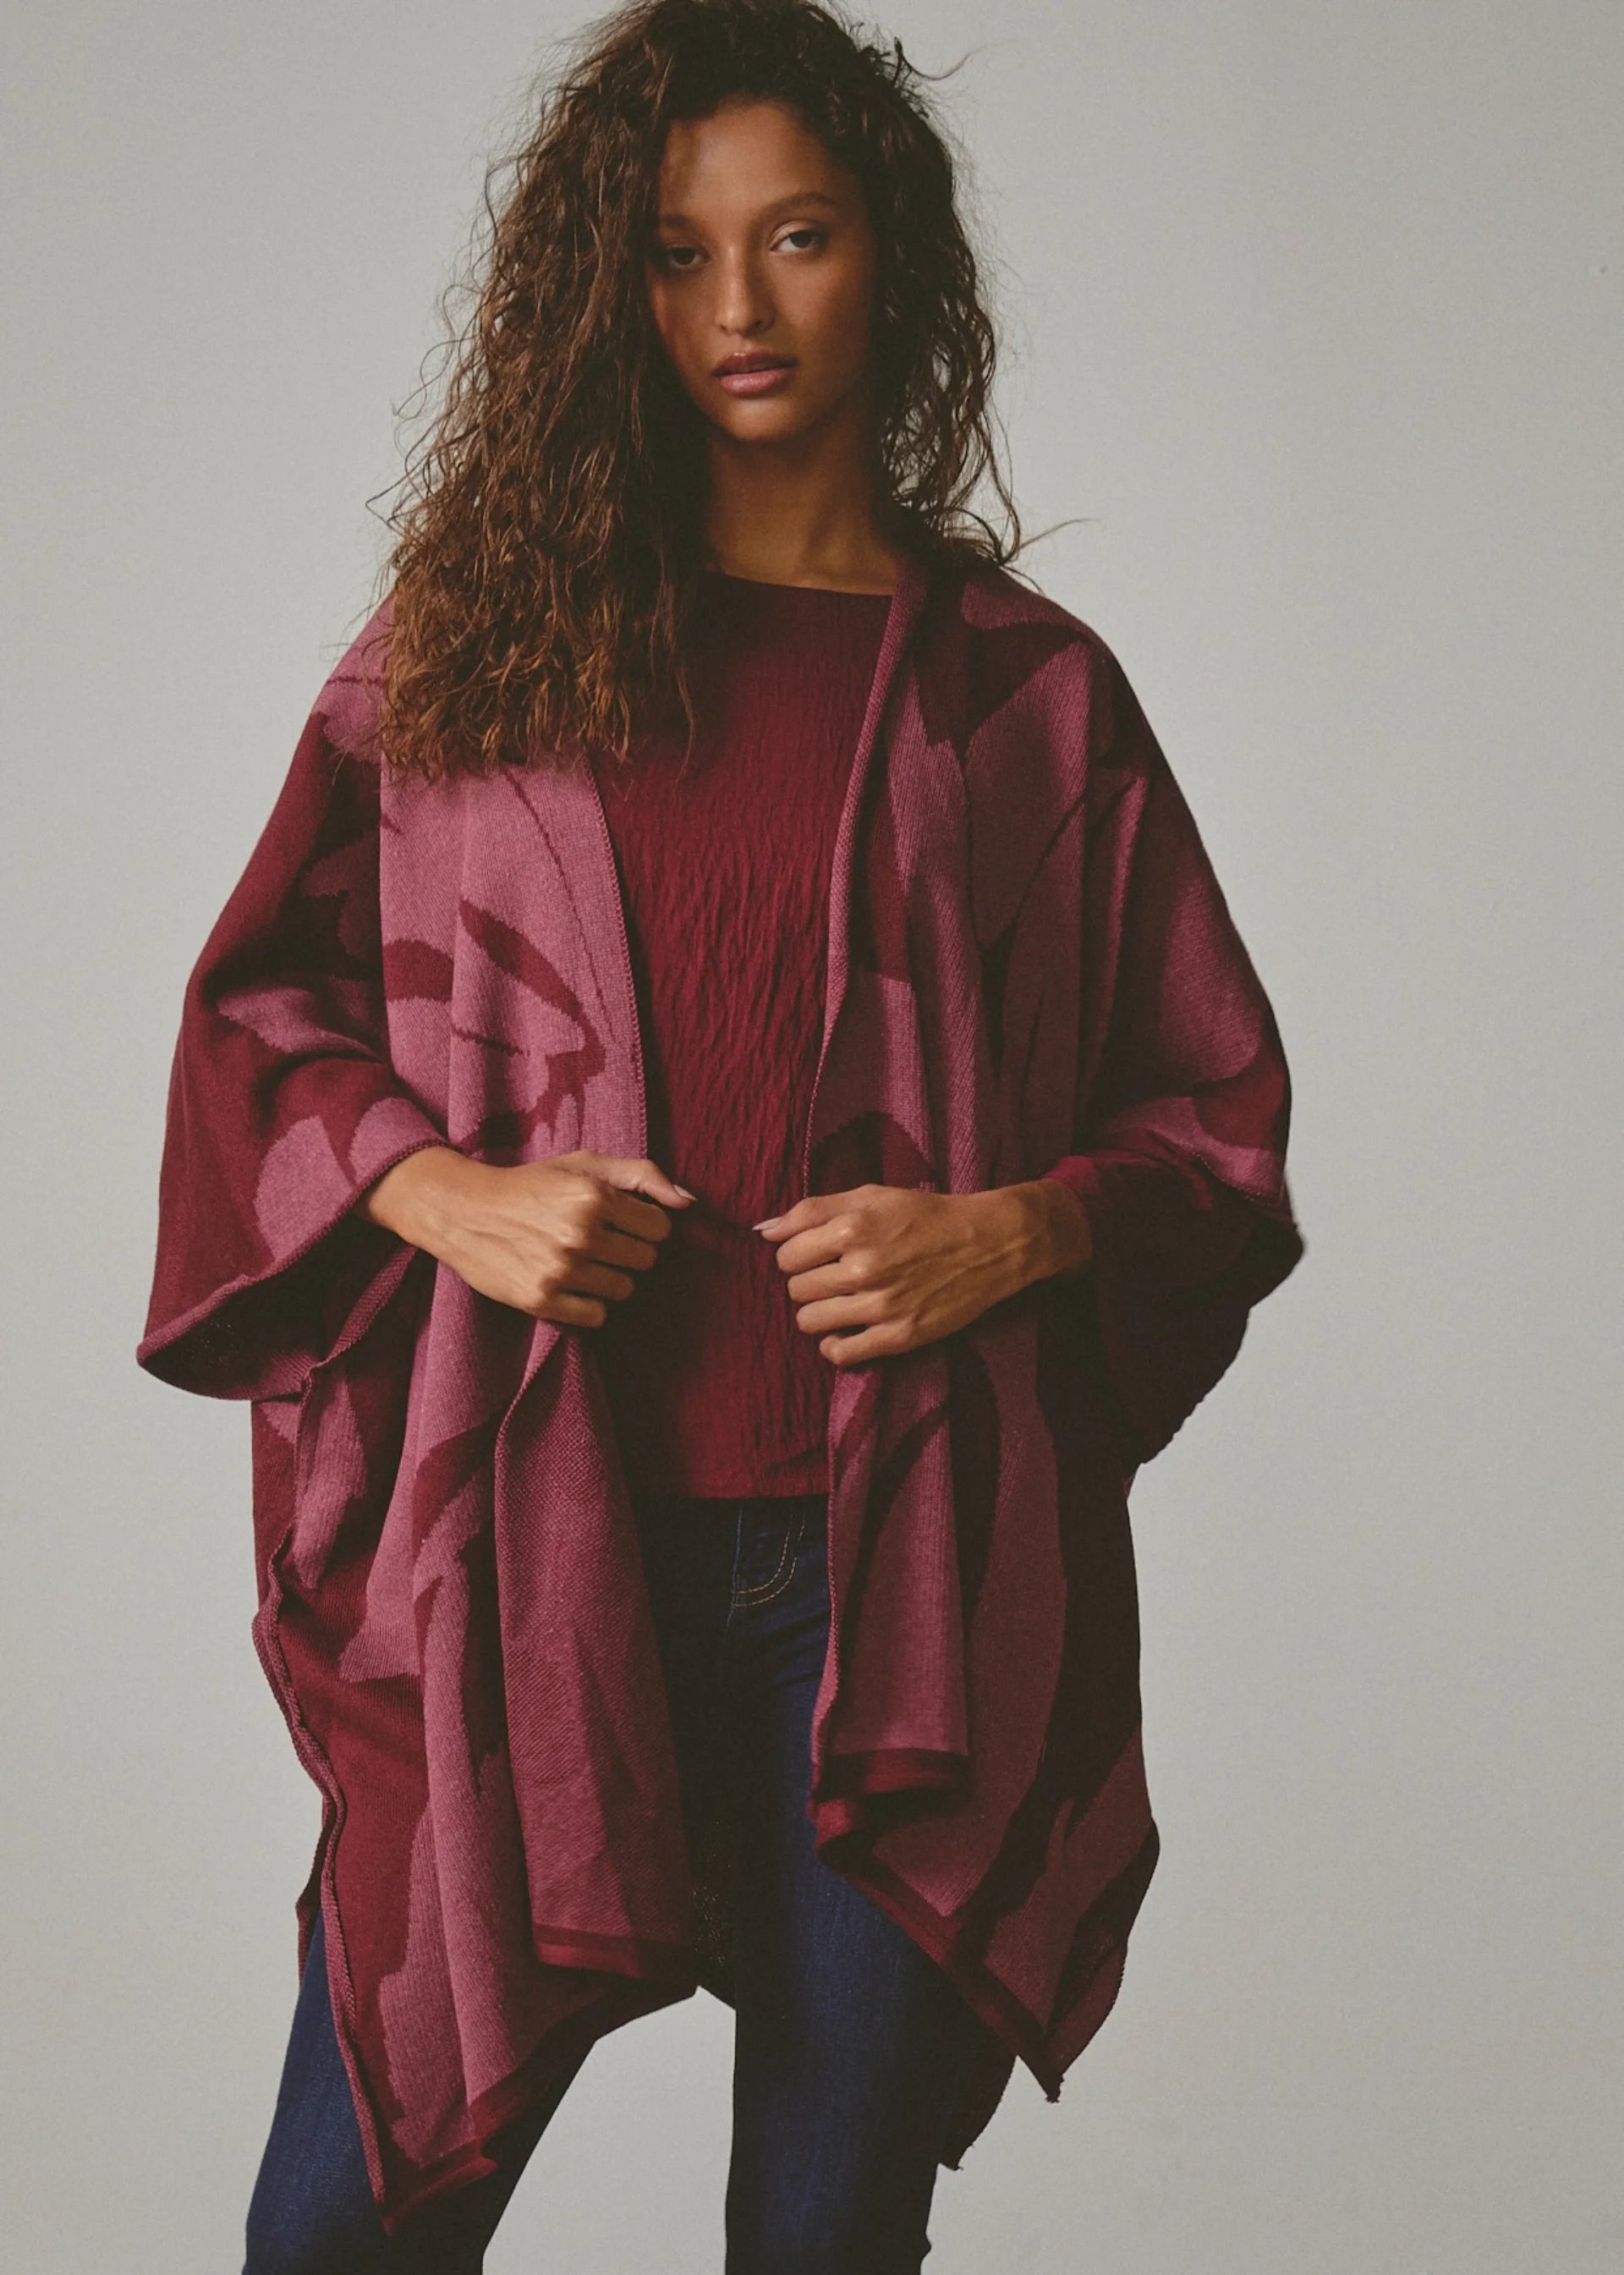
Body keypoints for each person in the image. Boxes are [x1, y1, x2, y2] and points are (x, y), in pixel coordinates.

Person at [137, 3, 1306, 2269]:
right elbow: (258, 1013)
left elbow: (1215, 1127)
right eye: (677, 253)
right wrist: (450, 1190)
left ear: (895, 257)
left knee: (826, 2235)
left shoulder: (1023, 694)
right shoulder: (474, 654)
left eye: (797, 235)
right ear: (612, 286)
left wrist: (1016, 1229)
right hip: (530, 1554)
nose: (740, 307)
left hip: (891, 1594)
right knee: (347, 2226)